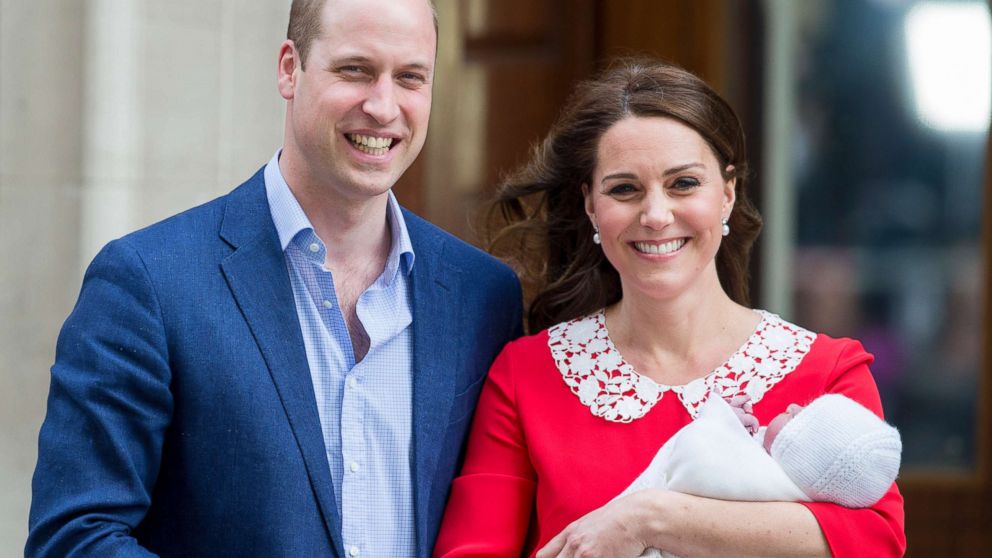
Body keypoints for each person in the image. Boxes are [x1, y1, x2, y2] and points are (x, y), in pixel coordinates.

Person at [26, 0, 522, 556]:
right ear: (289, 68)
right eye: (355, 69)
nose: (384, 106)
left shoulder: (484, 296)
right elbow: (76, 537)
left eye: (410, 78)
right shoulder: (148, 282)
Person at [433, 60, 905, 558]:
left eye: (683, 184)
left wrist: (650, 519)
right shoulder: (524, 376)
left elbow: (876, 542)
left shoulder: (829, 372)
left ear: (727, 194)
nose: (656, 216)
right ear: (592, 207)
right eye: (624, 189)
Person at [621, 394, 902, 558]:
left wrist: (719, 421)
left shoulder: (759, 482)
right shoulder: (790, 488)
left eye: (800, 418)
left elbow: (691, 462)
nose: (793, 407)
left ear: (800, 456)